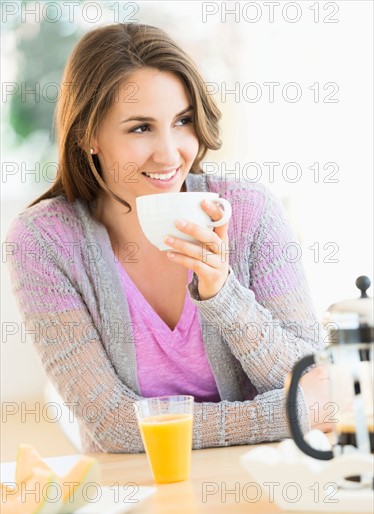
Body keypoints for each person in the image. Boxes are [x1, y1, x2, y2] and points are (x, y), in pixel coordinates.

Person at [6, 23, 330, 453]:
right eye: (140, 128)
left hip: (260, 487)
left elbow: (312, 379)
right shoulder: (44, 242)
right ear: (88, 135)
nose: (169, 152)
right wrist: (285, 416)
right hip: (135, 498)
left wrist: (222, 296)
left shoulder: (249, 210)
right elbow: (115, 426)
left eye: (182, 122)